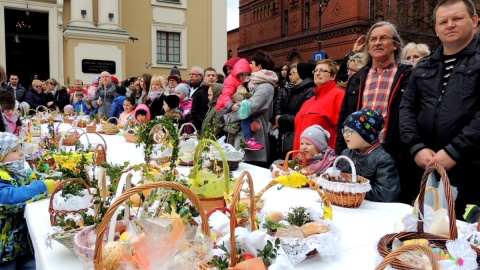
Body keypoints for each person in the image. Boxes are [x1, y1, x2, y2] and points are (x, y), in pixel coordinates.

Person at [399, 0, 480, 219]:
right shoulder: (425, 65)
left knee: (464, 240)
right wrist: (415, 146)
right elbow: (406, 108)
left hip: (469, 169)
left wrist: (455, 150)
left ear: (474, 20)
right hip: (424, 165)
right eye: (443, 21)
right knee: (422, 232)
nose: (450, 25)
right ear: (436, 28)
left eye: (457, 18)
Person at [335, 21, 413, 204]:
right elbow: (343, 117)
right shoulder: (358, 77)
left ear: (395, 44)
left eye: (383, 38)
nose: (377, 42)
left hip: (393, 150)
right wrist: (342, 150)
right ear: (368, 47)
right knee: (355, 202)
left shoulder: (408, 74)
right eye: (373, 39)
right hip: (359, 153)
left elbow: (413, 115)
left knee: (389, 205)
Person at [0, 132, 58, 266]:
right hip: (4, 252)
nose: (21, 153)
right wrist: (41, 187)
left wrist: (41, 178)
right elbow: (11, 197)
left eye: (20, 149)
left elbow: (27, 179)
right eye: (14, 151)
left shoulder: (14, 172)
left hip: (21, 244)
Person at [223, 50, 278, 168]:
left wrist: (226, 117)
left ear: (259, 67)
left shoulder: (265, 87)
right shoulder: (252, 83)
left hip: (255, 135)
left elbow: (249, 107)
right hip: (244, 132)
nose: (248, 65)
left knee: (250, 173)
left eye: (251, 63)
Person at [338, 108, 400, 202]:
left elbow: (386, 194)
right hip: (345, 204)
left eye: (350, 131)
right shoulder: (346, 153)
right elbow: (335, 175)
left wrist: (352, 187)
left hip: (370, 210)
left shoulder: (383, 160)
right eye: (344, 131)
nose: (345, 135)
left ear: (366, 133)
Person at [294, 59, 345, 152]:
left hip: (322, 160)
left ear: (333, 76)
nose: (317, 73)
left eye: (323, 71)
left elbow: (342, 130)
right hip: (301, 157)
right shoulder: (308, 102)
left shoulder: (339, 95)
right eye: (316, 70)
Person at [274, 62, 316, 159]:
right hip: (287, 132)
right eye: (290, 73)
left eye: (295, 72)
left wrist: (281, 118)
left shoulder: (308, 91)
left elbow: (300, 117)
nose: (291, 74)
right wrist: (278, 115)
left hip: (295, 133)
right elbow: (279, 105)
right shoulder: (293, 89)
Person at [189, 66, 210, 131]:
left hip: (201, 123)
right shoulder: (187, 87)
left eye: (193, 74)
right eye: (190, 74)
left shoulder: (205, 90)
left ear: (201, 77)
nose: (191, 76)